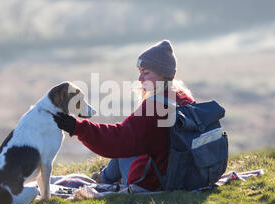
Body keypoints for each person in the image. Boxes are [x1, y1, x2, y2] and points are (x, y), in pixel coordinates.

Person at [53, 40, 195, 191]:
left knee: (123, 145)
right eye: (140, 72)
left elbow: (117, 139)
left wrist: (77, 128)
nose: (140, 79)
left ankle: (103, 180)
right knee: (127, 140)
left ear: (163, 75)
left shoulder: (155, 107)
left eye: (146, 73)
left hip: (154, 181)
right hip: (179, 173)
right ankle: (105, 177)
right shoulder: (183, 96)